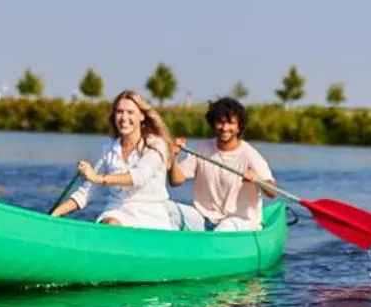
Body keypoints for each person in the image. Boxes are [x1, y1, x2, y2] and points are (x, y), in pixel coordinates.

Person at [51, 90, 202, 228]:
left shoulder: (156, 145)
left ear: (142, 116)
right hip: (117, 212)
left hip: (151, 216)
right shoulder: (109, 150)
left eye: (130, 112)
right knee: (111, 224)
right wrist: (55, 214)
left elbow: (139, 177)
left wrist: (97, 178)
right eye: (119, 112)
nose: (124, 118)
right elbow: (86, 193)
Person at [167, 96, 277, 231]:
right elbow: (176, 181)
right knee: (167, 208)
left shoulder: (250, 154)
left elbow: (272, 192)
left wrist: (257, 179)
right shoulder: (201, 148)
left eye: (231, 123)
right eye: (220, 122)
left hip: (239, 221)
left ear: (239, 127)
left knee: (225, 227)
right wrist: (172, 157)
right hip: (205, 220)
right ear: (213, 124)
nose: (224, 128)